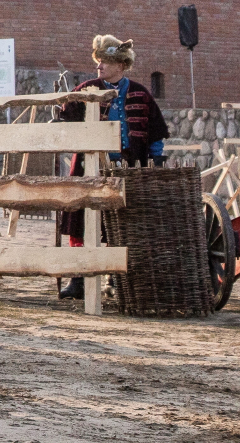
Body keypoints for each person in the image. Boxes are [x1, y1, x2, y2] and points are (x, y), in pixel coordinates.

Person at [56, 35, 166, 299]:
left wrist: (154, 160)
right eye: (99, 61)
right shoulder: (87, 89)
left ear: (121, 64)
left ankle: (115, 278)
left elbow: (155, 133)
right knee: (80, 220)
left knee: (121, 224)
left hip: (127, 168)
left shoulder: (140, 93)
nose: (99, 66)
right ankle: (79, 279)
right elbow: (66, 119)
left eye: (105, 61)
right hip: (88, 168)